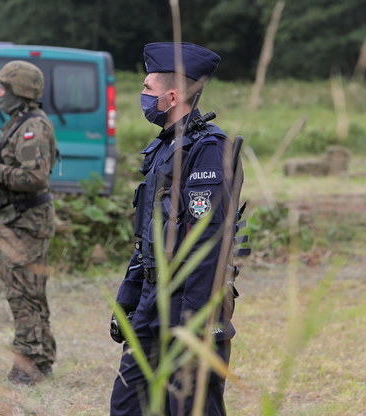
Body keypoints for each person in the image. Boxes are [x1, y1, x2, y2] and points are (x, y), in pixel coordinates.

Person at [109, 42, 246, 415]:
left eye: (148, 89)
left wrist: (194, 323)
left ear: (171, 96)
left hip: (189, 301)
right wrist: (127, 303)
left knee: (189, 407)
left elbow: (210, 244)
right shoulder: (163, 149)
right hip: (153, 302)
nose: (142, 96)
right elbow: (146, 240)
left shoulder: (208, 150)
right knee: (127, 404)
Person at [0, 60, 58, 385]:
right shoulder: (19, 122)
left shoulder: (32, 127)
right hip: (16, 221)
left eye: (4, 88)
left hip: (25, 223)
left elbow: (36, 177)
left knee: (23, 294)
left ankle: (28, 365)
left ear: (20, 91)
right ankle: (41, 358)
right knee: (30, 292)